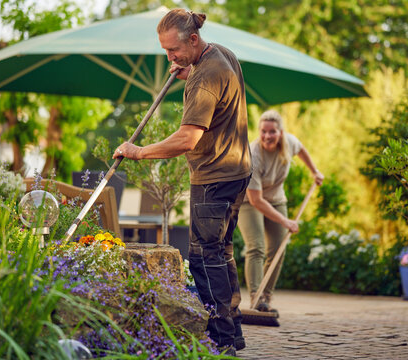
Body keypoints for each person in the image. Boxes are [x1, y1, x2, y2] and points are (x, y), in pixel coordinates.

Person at [112, 9, 252, 355]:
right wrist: (187, 70)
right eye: (165, 51)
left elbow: (187, 139)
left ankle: (219, 340)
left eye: (174, 51)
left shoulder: (205, 76)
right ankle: (231, 333)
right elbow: (216, 88)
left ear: (192, 40)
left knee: (203, 257)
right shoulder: (221, 55)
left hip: (214, 176)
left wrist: (138, 151)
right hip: (236, 170)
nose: (169, 58)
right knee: (222, 252)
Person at [237, 109, 324, 312]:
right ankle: (255, 298)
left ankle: (265, 297)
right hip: (249, 202)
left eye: (272, 131)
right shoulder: (253, 155)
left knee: (277, 249)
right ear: (259, 132)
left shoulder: (289, 143)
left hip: (276, 199)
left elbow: (301, 149)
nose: (267, 136)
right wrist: (286, 222)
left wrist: (315, 171)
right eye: (263, 131)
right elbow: (256, 200)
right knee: (256, 247)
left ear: (281, 133)